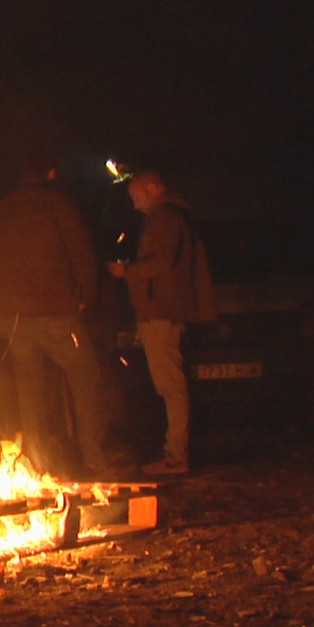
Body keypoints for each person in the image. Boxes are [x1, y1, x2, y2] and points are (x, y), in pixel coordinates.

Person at [0, 152, 108, 479]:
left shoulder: (0, 209)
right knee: (84, 373)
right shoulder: (58, 204)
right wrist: (87, 296)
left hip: (11, 316)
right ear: (51, 173)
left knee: (29, 384)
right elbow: (81, 250)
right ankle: (94, 456)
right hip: (53, 308)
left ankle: (38, 463)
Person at [106, 171, 216, 477]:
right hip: (159, 311)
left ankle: (176, 457)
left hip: (161, 313)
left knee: (171, 387)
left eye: (137, 197)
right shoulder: (167, 216)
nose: (136, 205)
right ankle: (174, 454)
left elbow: (163, 261)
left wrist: (126, 272)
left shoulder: (165, 217)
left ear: (153, 189)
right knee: (170, 385)